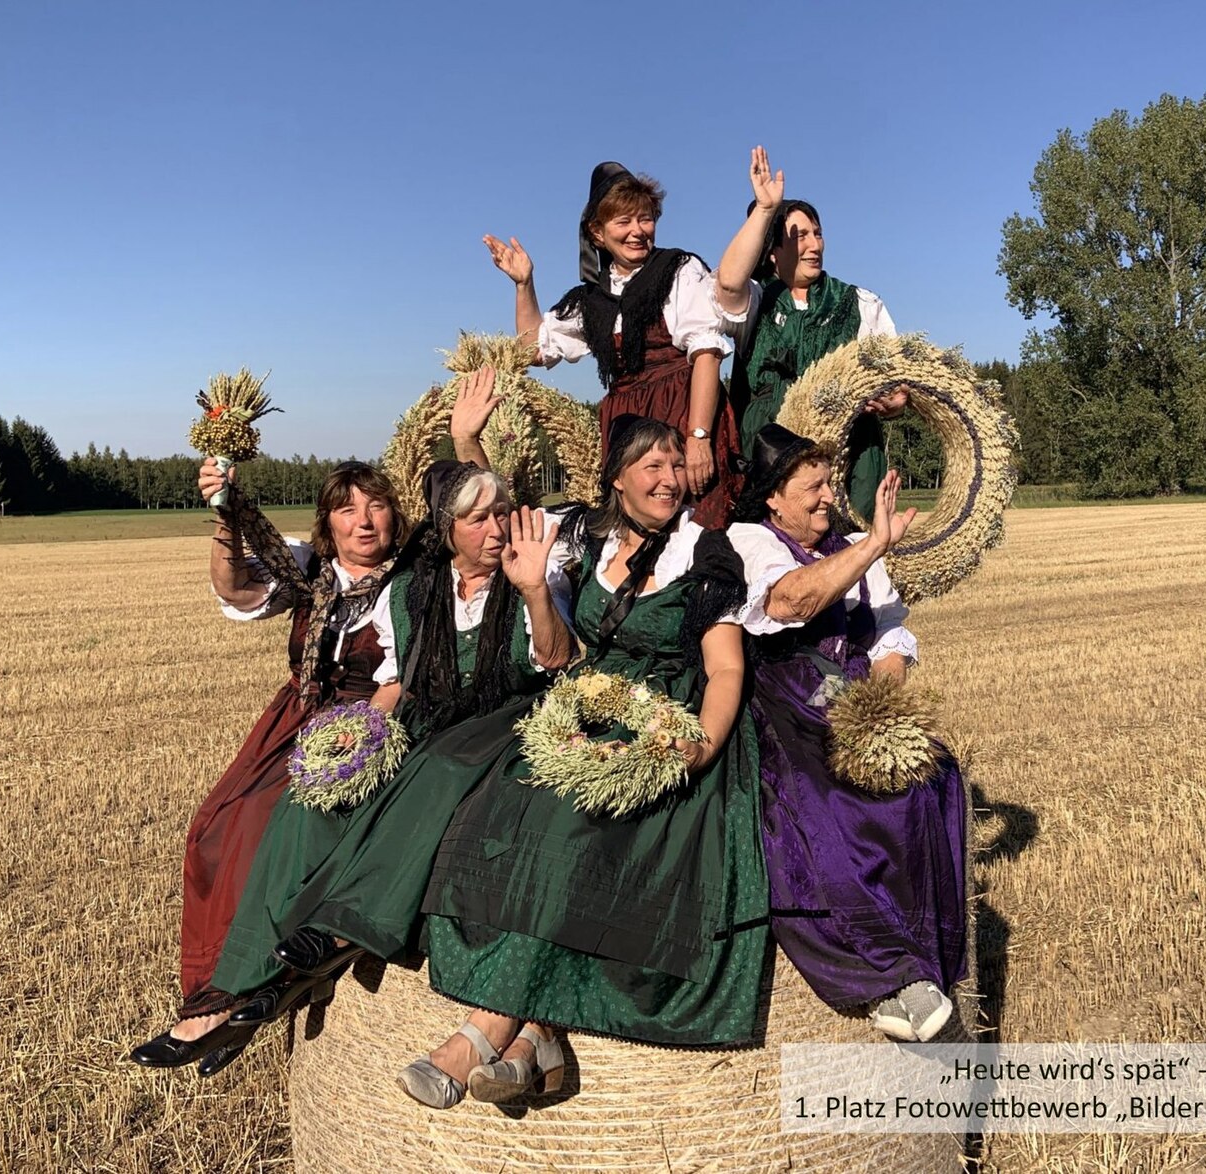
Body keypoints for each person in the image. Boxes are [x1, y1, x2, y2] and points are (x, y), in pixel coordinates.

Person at [128, 373, 497, 1074]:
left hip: (373, 721)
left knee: (270, 819)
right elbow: (236, 586)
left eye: (378, 507)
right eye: (347, 510)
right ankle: (214, 993)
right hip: (296, 720)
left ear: (396, 516)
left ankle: (245, 991)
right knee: (214, 824)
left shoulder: (418, 576)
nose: (364, 521)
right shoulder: (309, 573)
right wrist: (224, 513)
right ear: (326, 523)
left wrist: (467, 442)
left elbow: (488, 521)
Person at [396, 415, 765, 1110]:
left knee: (580, 830)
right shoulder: (582, 543)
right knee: (510, 803)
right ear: (616, 478)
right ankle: (538, 1038)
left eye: (672, 465)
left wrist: (697, 750)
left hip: (671, 722)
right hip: (589, 707)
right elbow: (559, 649)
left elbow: (723, 672)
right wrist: (534, 587)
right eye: (649, 466)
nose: (666, 478)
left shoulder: (705, 554)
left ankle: (484, 1030)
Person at [201, 455, 575, 1069]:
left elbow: (556, 660)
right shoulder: (409, 588)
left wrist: (532, 587)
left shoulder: (532, 574)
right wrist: (362, 732)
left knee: (441, 769)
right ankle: (248, 976)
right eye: (477, 519)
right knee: (310, 794)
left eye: (501, 515)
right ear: (447, 528)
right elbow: (398, 680)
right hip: (403, 714)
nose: (495, 530)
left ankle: (346, 928)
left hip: (503, 722)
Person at [726, 423, 966, 1041]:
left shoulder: (853, 543)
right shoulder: (748, 539)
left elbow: (888, 637)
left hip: (852, 695)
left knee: (929, 776)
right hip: (788, 699)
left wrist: (882, 716)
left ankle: (928, 963)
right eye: (814, 486)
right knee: (826, 801)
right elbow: (790, 603)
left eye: (830, 482)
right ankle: (885, 966)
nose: (829, 496)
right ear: (774, 498)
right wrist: (874, 545)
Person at [484, 163, 741, 526]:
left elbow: (706, 352)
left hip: (683, 410)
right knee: (636, 530)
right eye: (624, 222)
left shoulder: (678, 270)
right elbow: (533, 351)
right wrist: (524, 285)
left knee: (698, 522)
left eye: (646, 219)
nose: (638, 231)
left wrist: (699, 437)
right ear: (597, 232)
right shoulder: (591, 299)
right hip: (626, 427)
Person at [715, 147, 908, 521]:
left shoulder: (859, 303)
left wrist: (897, 403)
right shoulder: (755, 302)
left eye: (818, 233)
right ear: (772, 250)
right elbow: (726, 283)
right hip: (771, 462)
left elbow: (899, 382)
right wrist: (766, 210)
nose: (815, 245)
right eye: (799, 235)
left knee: (850, 560)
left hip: (850, 464)